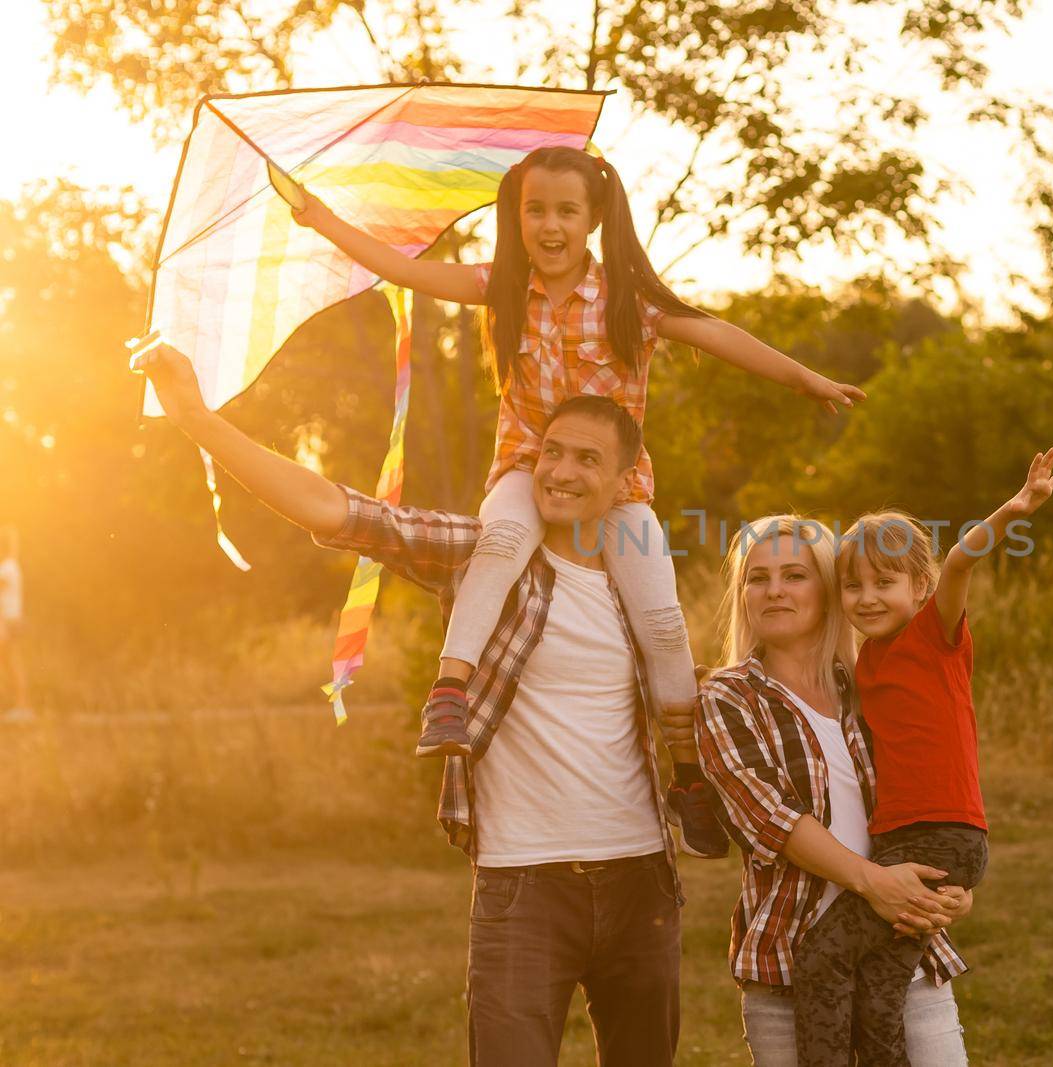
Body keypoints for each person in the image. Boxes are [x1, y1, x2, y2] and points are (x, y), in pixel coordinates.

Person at [291, 144, 865, 859]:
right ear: (518, 215)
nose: (549, 224)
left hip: (618, 488)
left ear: (595, 217)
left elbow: (716, 334)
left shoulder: (628, 299)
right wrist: (323, 220)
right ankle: (450, 693)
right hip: (527, 469)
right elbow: (407, 269)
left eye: (566, 210)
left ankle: (686, 774)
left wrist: (804, 377)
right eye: (535, 209)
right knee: (497, 546)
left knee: (661, 621)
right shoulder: (501, 287)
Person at [138, 343, 689, 1066]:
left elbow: (687, 692)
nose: (560, 471)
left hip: (639, 876)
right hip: (524, 885)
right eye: (551, 452)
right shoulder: (488, 556)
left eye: (588, 460)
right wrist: (196, 419)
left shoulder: (638, 591)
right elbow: (342, 511)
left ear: (624, 484)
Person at [792, 450, 1053, 1066]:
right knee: (881, 989)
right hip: (906, 839)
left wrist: (1015, 509)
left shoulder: (934, 636)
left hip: (938, 835)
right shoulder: (866, 661)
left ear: (920, 588)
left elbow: (963, 557)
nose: (866, 598)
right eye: (853, 585)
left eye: (884, 583)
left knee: (824, 958)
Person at [695, 516, 975, 1066]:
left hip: (904, 948)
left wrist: (949, 886)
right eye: (757, 578)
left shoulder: (870, 685)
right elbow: (772, 820)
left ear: (829, 589)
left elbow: (928, 795)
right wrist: (876, 884)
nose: (773, 590)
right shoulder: (728, 698)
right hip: (790, 966)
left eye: (794, 575)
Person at [0, 525, 28, 717]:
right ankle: (18, 705)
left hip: (8, 622)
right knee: (10, 662)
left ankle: (21, 705)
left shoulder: (7, 568)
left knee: (12, 662)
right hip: (11, 620)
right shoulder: (11, 566)